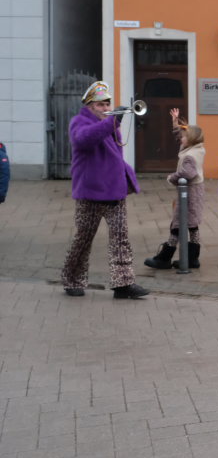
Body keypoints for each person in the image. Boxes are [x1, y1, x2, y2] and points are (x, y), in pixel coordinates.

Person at [60, 81, 148, 300]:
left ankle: (123, 284)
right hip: (90, 193)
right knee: (83, 239)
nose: (106, 107)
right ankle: (72, 280)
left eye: (108, 104)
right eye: (101, 104)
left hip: (114, 192)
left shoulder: (110, 124)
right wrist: (112, 121)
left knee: (120, 239)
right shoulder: (79, 122)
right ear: (90, 106)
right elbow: (85, 139)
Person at [143, 108, 206, 270]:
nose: (180, 139)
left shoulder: (190, 155)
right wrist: (175, 122)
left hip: (189, 194)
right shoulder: (197, 148)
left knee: (177, 224)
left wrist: (172, 177)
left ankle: (165, 258)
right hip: (195, 192)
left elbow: (188, 173)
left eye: (183, 137)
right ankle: (192, 259)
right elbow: (180, 134)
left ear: (190, 140)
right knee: (192, 225)